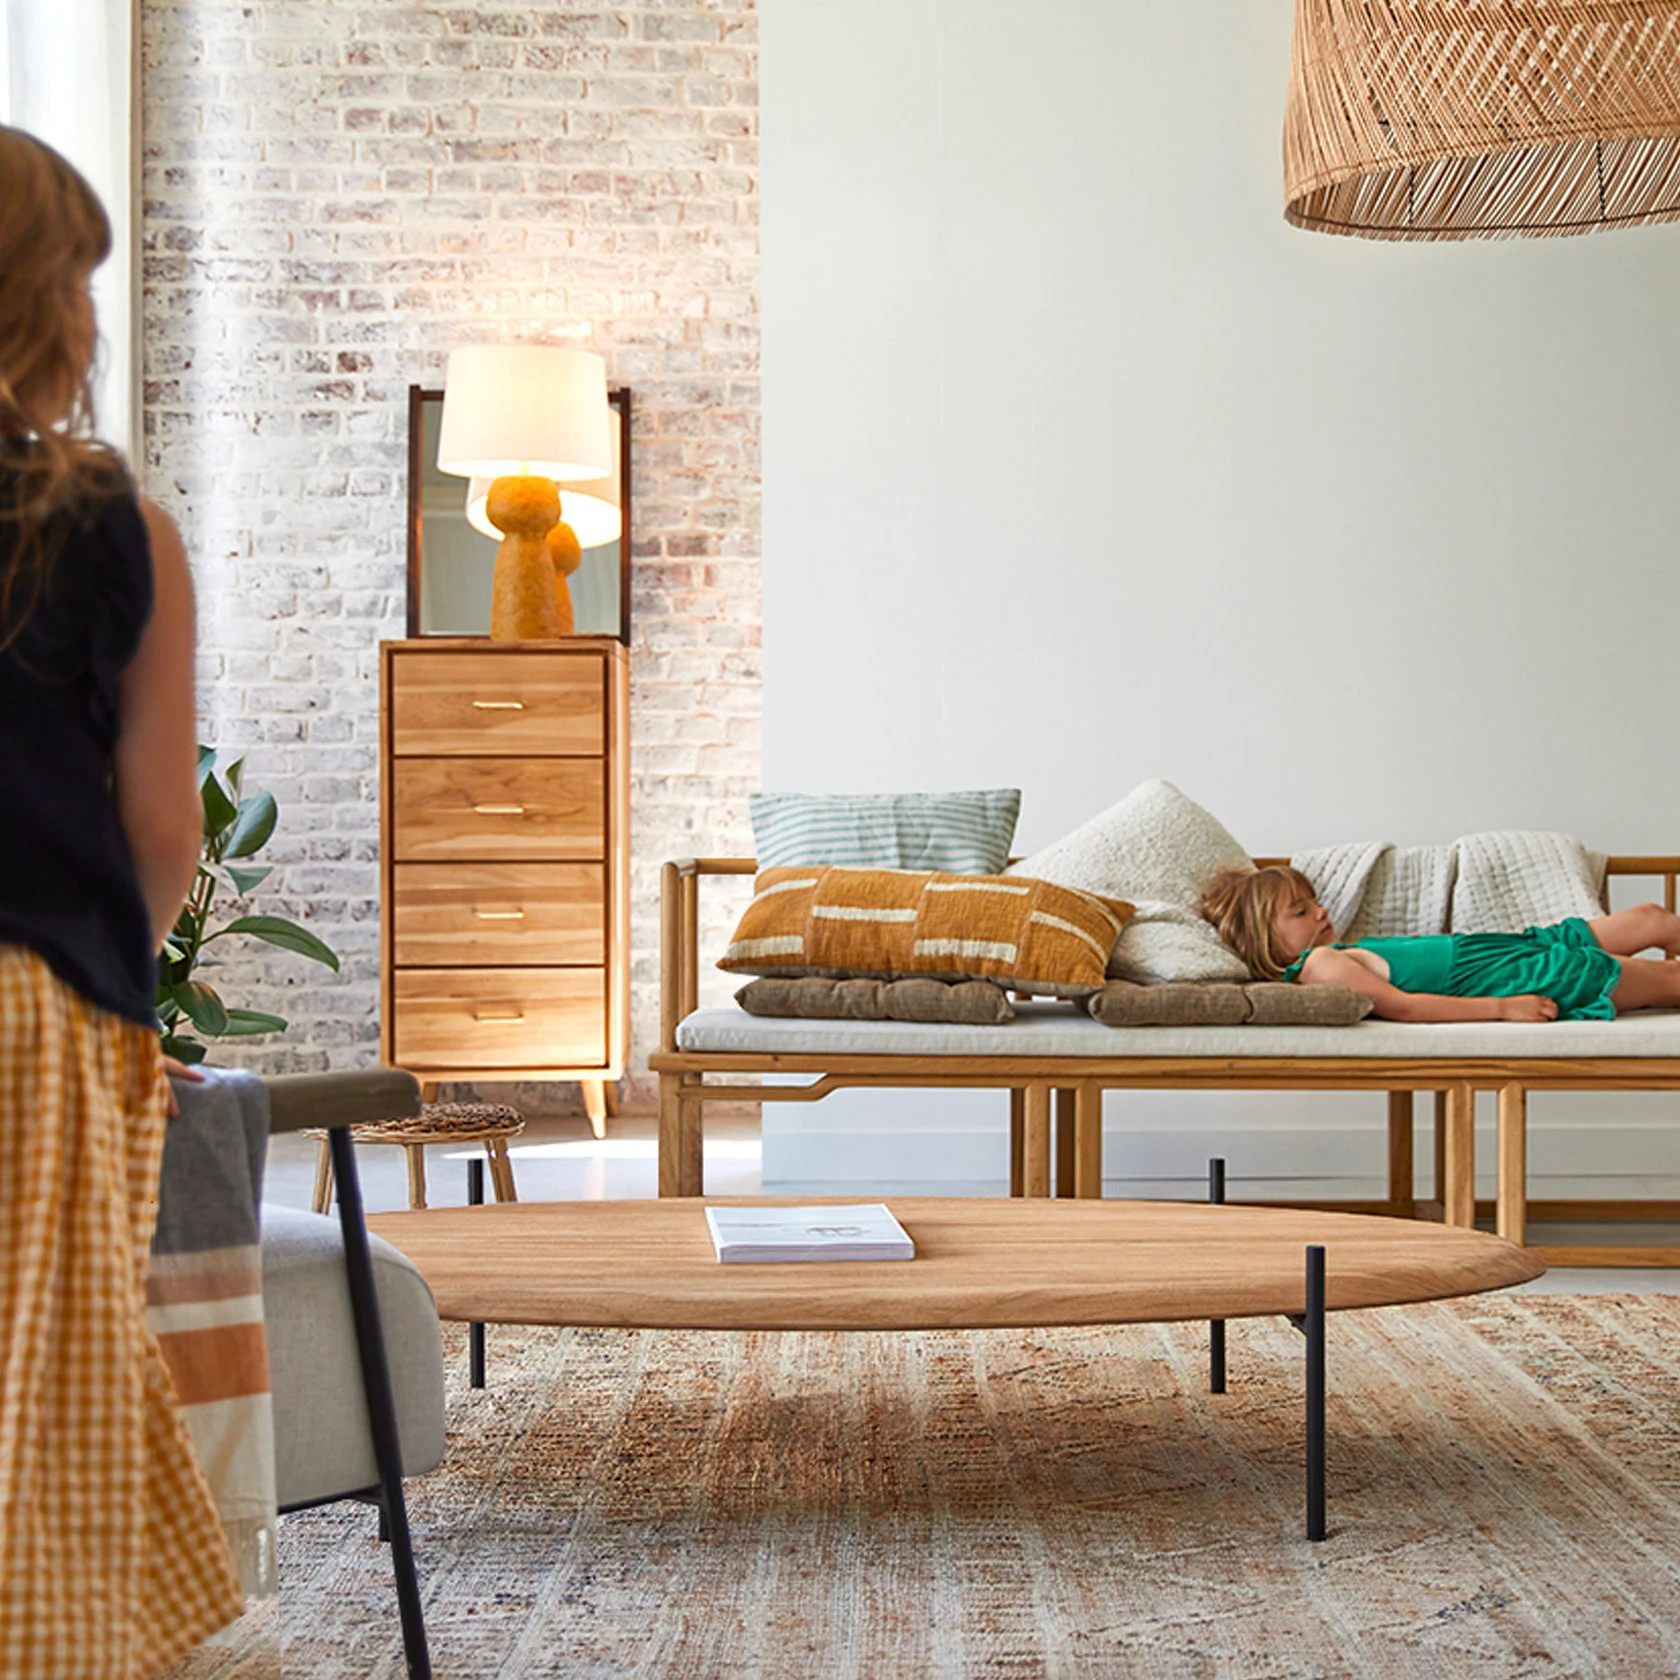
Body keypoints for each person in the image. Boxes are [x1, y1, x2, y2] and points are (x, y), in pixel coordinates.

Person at [0, 126, 244, 1675]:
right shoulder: (110, 529)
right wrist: (119, 995)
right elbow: (163, 834)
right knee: (48, 1409)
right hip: (33, 1009)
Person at [1199, 865, 1680, 1024]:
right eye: (1300, 913)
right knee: (1666, 980)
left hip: (1505, 947)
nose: (1321, 912)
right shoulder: (1319, 965)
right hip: (1504, 976)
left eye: (1314, 902)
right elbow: (1403, 1007)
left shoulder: (1339, 951)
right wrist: (1501, 1009)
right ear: (1266, 940)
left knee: (1650, 918)